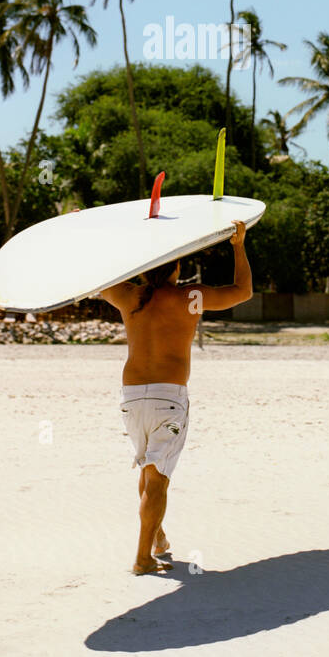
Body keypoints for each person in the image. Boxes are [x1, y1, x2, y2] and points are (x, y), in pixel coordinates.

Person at [99, 220, 252, 575]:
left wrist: (81, 231)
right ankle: (142, 558)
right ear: (177, 265)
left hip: (133, 397)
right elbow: (242, 291)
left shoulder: (129, 295)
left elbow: (98, 278)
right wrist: (238, 245)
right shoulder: (190, 297)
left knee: (148, 466)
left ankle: (158, 538)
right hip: (169, 396)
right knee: (157, 480)